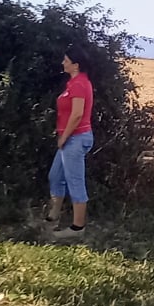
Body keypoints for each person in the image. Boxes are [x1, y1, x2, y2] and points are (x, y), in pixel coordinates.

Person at [47, 49, 96, 238]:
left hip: (75, 138)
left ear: (76, 65)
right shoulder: (74, 83)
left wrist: (64, 137)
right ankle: (53, 215)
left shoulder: (79, 84)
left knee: (75, 181)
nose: (63, 63)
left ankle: (77, 227)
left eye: (66, 60)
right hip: (70, 138)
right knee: (55, 176)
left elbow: (77, 115)